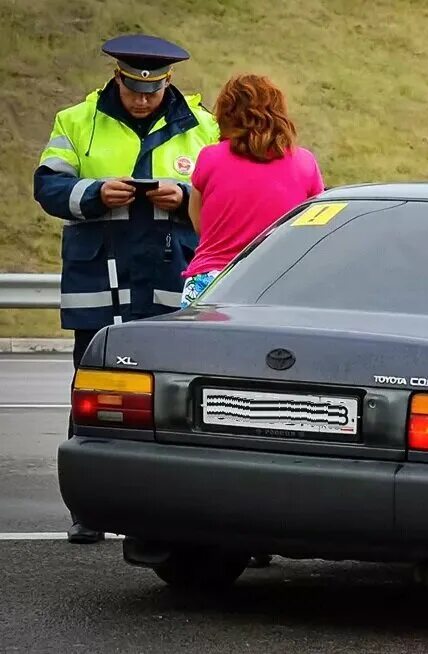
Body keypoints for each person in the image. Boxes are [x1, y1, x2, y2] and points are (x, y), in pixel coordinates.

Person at [33, 34, 219, 544]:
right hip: (102, 277)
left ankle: (169, 513)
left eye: (152, 91)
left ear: (168, 81)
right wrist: (93, 194)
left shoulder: (203, 127)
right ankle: (89, 510)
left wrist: (182, 197)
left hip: (169, 276)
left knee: (174, 396)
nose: (142, 99)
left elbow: (219, 194)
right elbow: (47, 185)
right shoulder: (77, 120)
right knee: (95, 394)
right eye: (135, 89)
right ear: (118, 77)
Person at [180, 73, 325, 308]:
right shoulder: (305, 162)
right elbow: (315, 228)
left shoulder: (210, 157)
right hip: (278, 282)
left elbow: (199, 225)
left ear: (225, 113)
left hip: (212, 280)